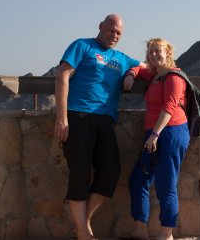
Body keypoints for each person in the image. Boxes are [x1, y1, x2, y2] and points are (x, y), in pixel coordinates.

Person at [53, 14, 142, 240]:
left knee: (111, 171)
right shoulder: (82, 46)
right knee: (80, 172)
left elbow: (146, 65)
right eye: (111, 30)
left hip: (105, 119)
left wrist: (132, 72)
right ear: (101, 27)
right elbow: (62, 75)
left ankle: (83, 223)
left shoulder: (120, 58)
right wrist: (61, 117)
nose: (114, 36)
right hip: (78, 115)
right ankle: (83, 232)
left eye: (118, 33)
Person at [121, 38, 190, 240]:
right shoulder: (155, 75)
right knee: (138, 179)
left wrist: (155, 135)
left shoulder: (174, 77)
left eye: (157, 51)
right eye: (150, 51)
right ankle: (140, 230)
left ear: (168, 52)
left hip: (170, 132)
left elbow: (169, 107)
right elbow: (138, 66)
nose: (153, 54)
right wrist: (132, 74)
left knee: (166, 184)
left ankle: (166, 234)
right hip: (154, 134)